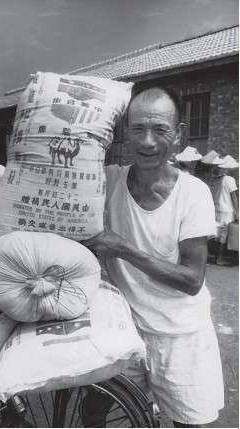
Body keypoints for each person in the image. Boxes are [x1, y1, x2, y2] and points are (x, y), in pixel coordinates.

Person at [82, 87, 224, 427]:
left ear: (178, 134)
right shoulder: (109, 181)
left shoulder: (194, 194)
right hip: (126, 330)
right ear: (125, 131)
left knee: (190, 424)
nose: (147, 141)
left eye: (160, 129)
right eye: (137, 128)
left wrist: (123, 249)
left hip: (181, 336)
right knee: (91, 412)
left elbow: (192, 280)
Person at [210, 156, 239, 266]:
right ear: (229, 168)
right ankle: (219, 258)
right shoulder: (230, 180)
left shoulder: (217, 179)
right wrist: (237, 211)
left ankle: (214, 255)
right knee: (224, 235)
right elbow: (234, 197)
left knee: (216, 233)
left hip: (217, 208)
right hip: (227, 210)